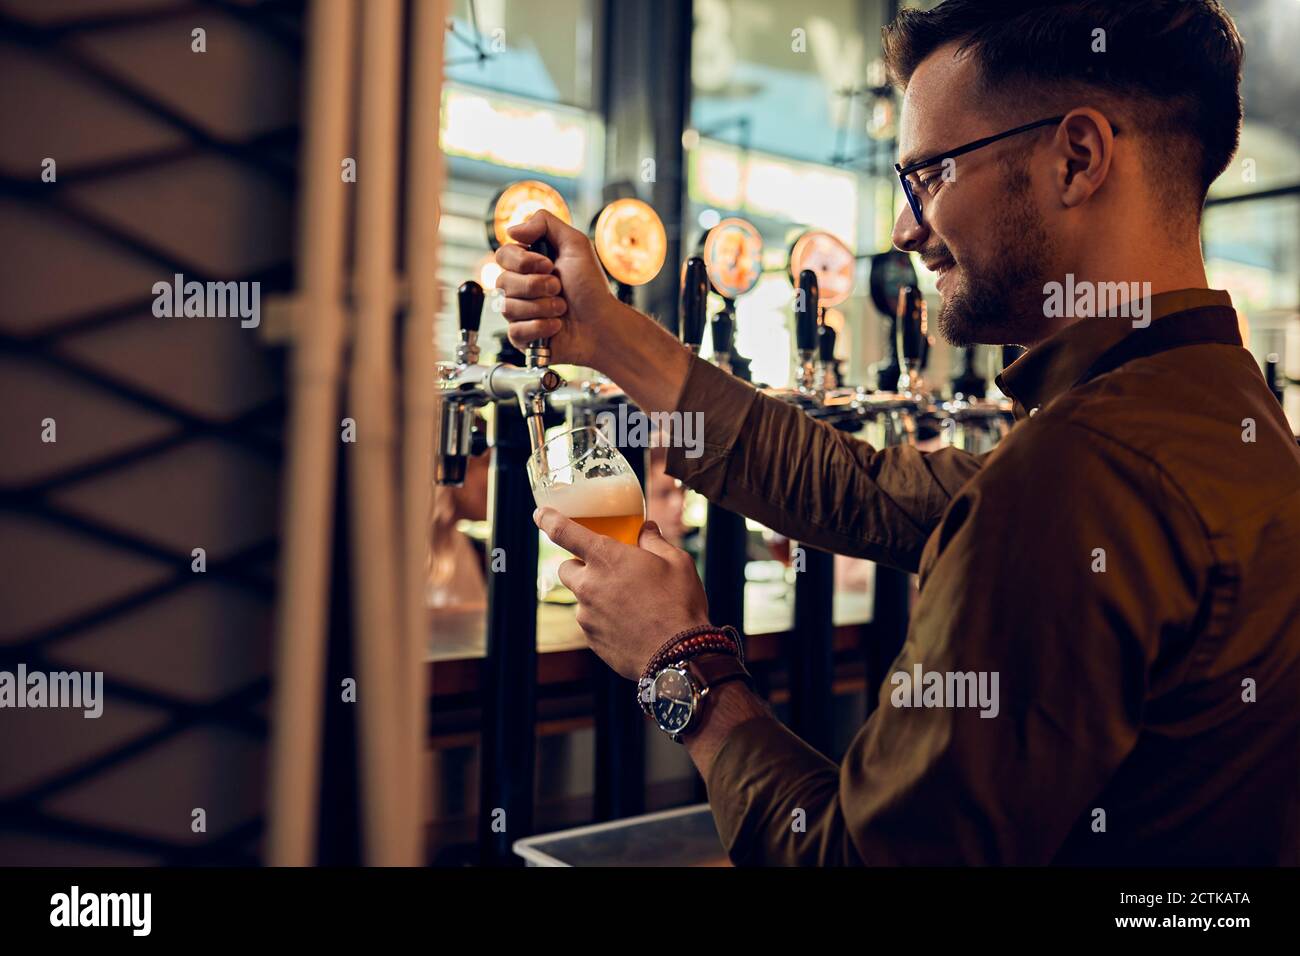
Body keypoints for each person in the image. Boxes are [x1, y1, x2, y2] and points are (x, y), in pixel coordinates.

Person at [493, 0, 1300, 865]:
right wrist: (606, 335)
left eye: (932, 175)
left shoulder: (1078, 477)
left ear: (1078, 157)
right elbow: (865, 489)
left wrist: (679, 664)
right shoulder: (1228, 416)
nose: (905, 229)